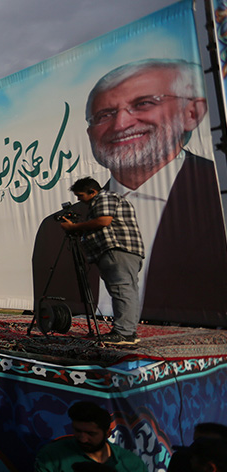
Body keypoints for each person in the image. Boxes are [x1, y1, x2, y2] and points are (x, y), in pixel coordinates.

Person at [85, 59, 227, 322]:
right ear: (90, 133)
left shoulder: (218, 195)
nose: (121, 124)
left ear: (191, 113)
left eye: (143, 104)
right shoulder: (61, 227)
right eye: (104, 115)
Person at [60, 177, 144, 345]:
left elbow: (104, 221)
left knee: (121, 290)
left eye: (81, 195)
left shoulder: (104, 197)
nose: (79, 200)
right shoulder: (106, 200)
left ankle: (123, 333)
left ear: (93, 192)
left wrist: (74, 227)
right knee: (128, 291)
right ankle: (129, 332)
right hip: (125, 251)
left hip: (116, 250)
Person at [34, 401, 147, 472]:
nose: (83, 438)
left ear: (108, 433)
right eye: (78, 431)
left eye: (90, 434)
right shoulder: (51, 457)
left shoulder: (131, 464)